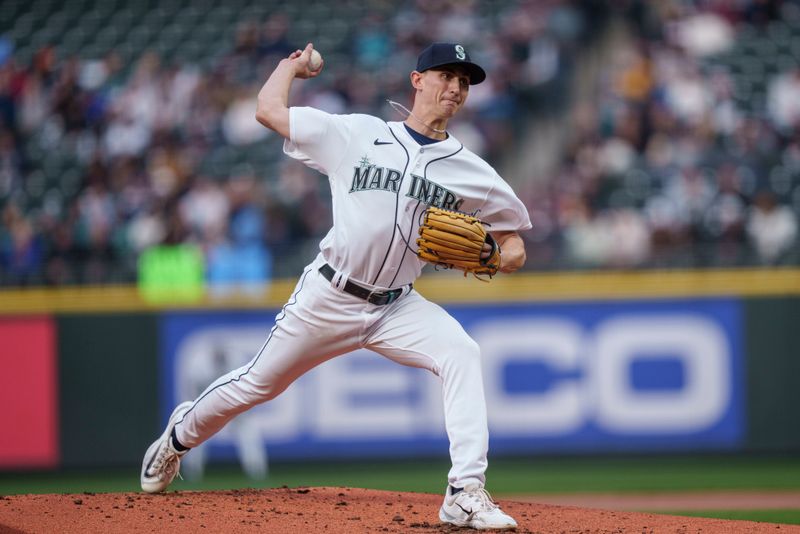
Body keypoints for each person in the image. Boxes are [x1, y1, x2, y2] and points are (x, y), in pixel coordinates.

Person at [141, 41, 532, 530]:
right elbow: (268, 110)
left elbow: (514, 242)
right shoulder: (358, 134)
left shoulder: (472, 171)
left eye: (464, 80)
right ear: (417, 80)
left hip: (397, 306)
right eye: (445, 75)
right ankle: (178, 436)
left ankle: (464, 491)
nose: (455, 87)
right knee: (256, 385)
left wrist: (497, 255)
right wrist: (289, 66)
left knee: (462, 352)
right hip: (329, 296)